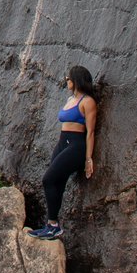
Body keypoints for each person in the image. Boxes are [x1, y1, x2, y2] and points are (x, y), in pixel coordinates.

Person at [26, 65, 97, 240]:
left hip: (76, 145)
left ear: (76, 80)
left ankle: (54, 226)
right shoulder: (69, 100)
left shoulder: (88, 102)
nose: (66, 81)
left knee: (48, 179)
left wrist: (88, 158)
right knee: (57, 182)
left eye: (69, 78)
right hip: (62, 143)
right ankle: (50, 225)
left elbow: (91, 132)